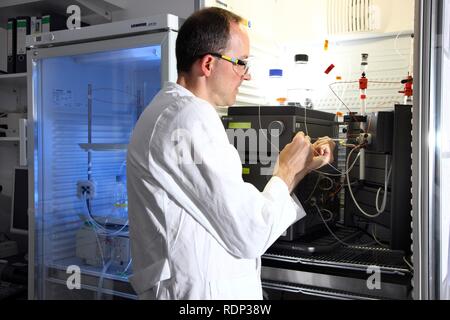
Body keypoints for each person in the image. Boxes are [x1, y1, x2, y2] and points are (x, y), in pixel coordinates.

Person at [126, 7, 335, 300]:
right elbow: (250, 232)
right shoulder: (188, 120)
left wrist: (300, 168)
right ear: (208, 64)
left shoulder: (177, 113)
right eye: (240, 63)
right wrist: (285, 170)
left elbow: (230, 211)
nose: (246, 76)